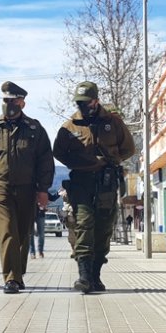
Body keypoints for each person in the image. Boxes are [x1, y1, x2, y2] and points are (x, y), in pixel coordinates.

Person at [53, 81, 134, 293]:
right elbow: (58, 152)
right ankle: (84, 276)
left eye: (85, 102)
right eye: (78, 103)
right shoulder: (70, 126)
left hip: (106, 181)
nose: (81, 106)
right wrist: (81, 162)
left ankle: (95, 275)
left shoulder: (113, 122)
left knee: (104, 227)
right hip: (81, 182)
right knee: (83, 224)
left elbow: (129, 148)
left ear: (95, 101)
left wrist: (110, 161)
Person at [0, 82, 55, 294]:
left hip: (28, 188)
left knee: (23, 233)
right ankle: (11, 278)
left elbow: (45, 161)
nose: (8, 104)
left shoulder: (35, 129)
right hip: (1, 187)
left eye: (12, 100)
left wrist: (43, 189)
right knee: (8, 231)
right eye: (5, 100)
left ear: (22, 103)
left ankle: (17, 275)